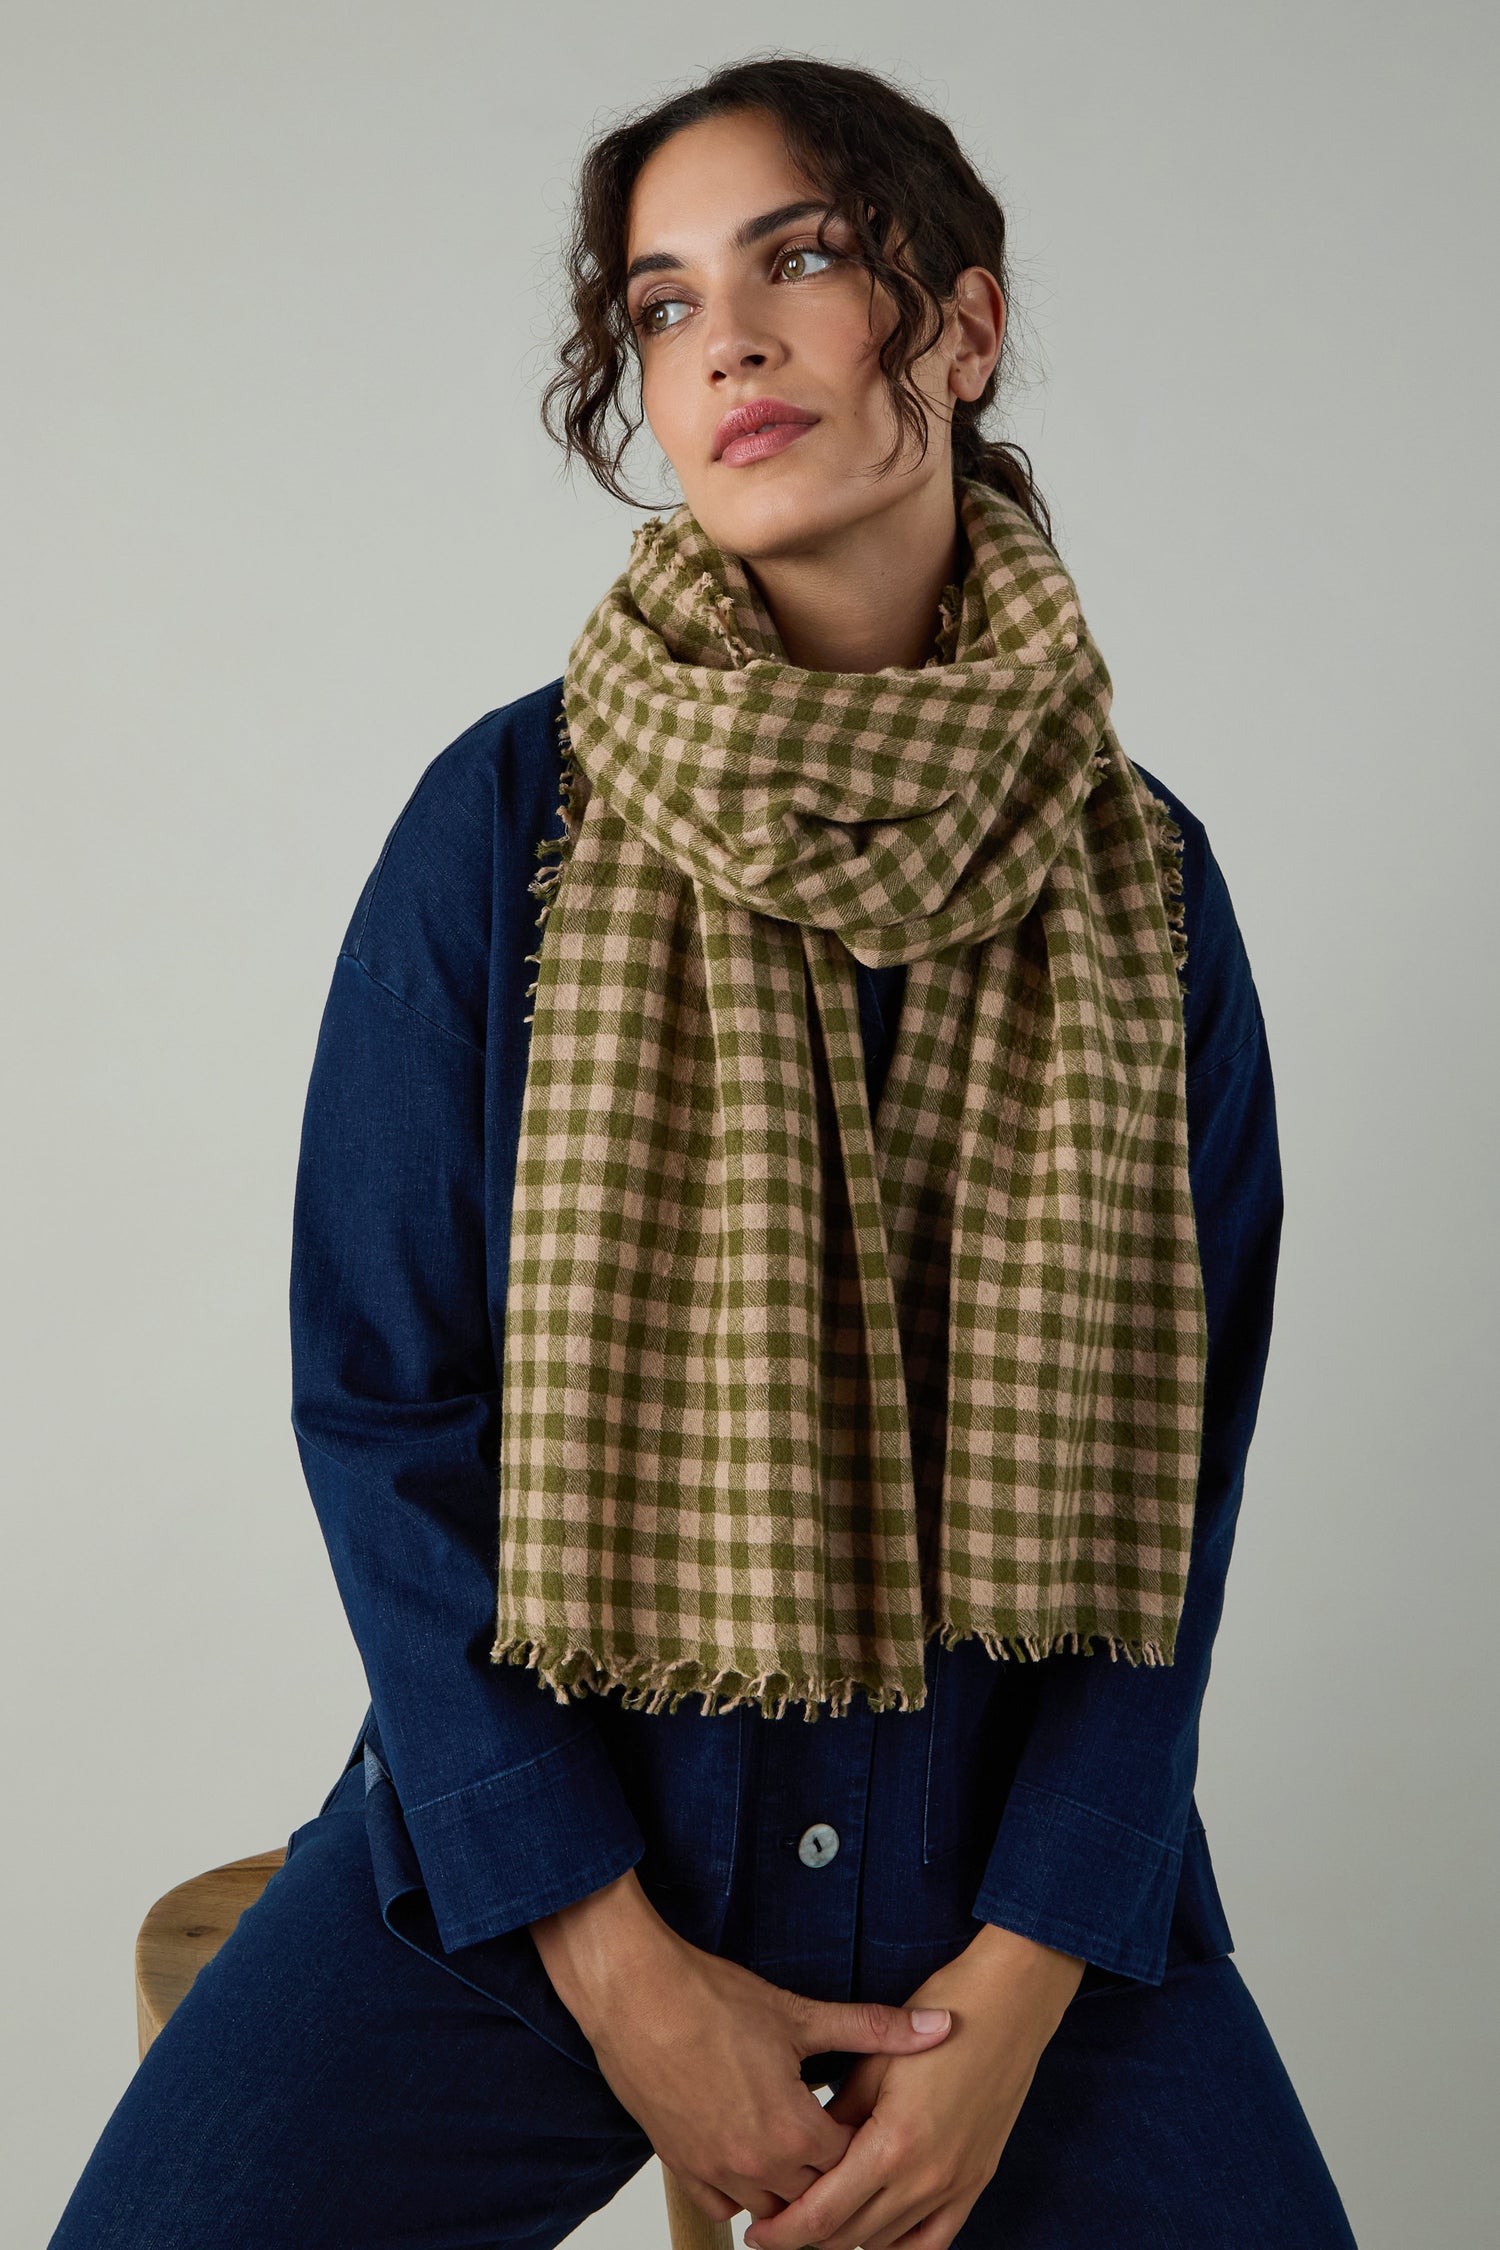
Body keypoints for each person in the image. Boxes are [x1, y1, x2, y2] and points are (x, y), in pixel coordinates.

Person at [48, 54, 1359, 2250]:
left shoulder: (1145, 884)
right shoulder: (504, 827)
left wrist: (1029, 1992)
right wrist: (612, 1962)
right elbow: (385, 1402)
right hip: (552, 1863)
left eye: (802, 260)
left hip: (1002, 1901)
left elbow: (1173, 1489)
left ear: (958, 325)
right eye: (660, 305)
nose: (722, 341)